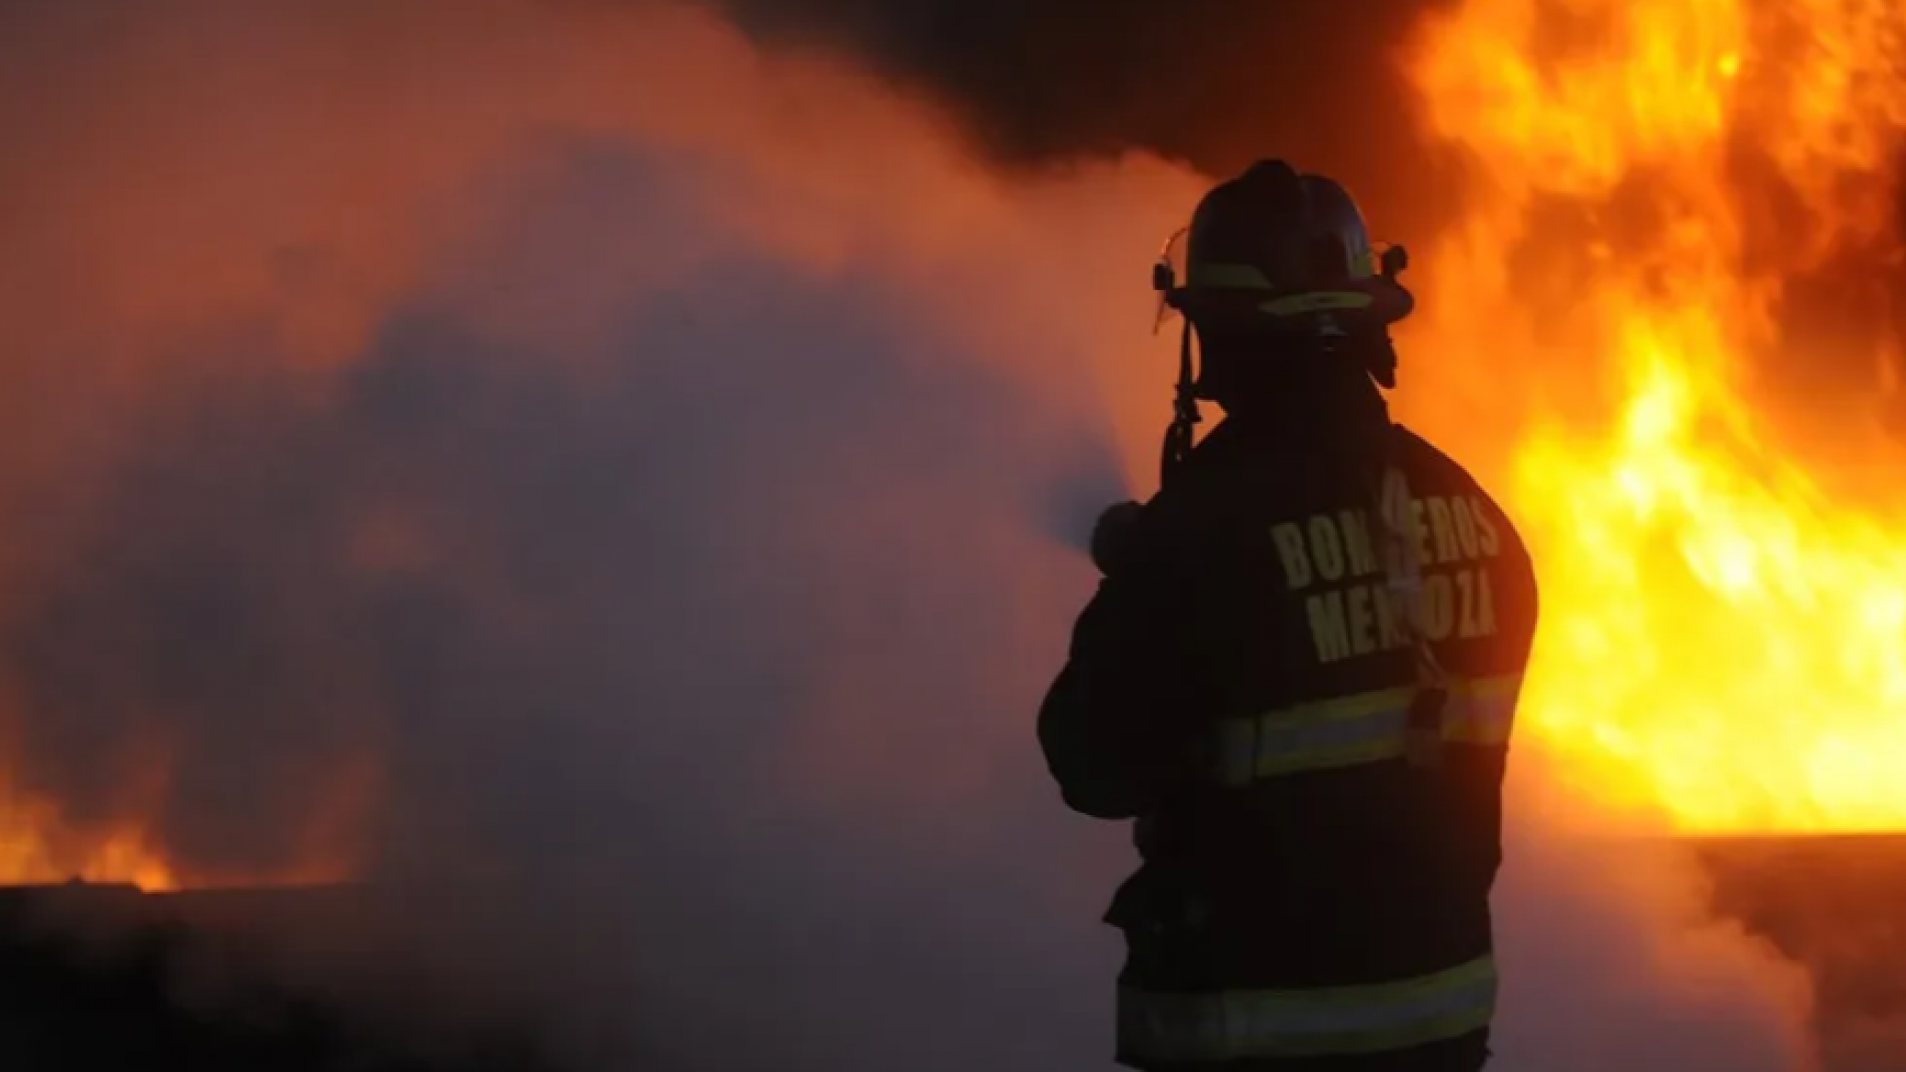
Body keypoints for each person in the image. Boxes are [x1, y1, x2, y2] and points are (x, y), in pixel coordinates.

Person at [1038, 159, 1539, 1071]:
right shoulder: (1477, 518)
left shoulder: (1202, 532)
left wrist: (1141, 580)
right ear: (1365, 322)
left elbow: (1090, 764)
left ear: (1215, 336)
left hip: (1251, 1036)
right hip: (1439, 1026)